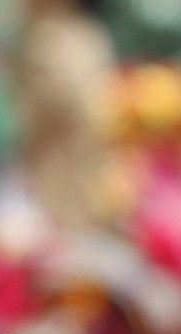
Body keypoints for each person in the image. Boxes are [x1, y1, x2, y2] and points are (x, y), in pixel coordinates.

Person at [14, 0, 116, 231]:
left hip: (51, 203)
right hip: (87, 200)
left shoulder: (46, 38)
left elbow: (19, 126)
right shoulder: (92, 36)